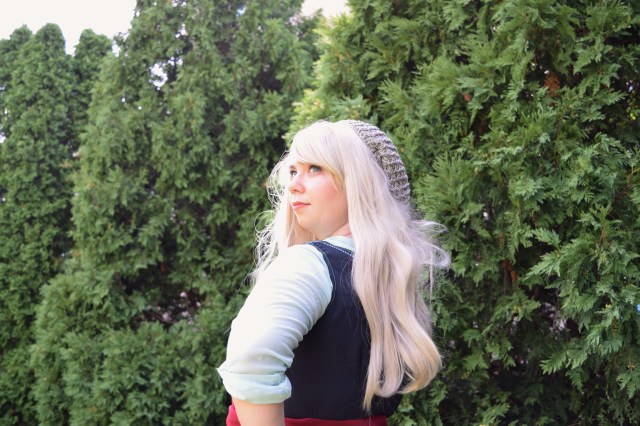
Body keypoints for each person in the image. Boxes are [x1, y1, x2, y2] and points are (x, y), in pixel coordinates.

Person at [217, 120, 450, 425]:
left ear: (361, 182)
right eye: (293, 171)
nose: (293, 185)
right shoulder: (382, 277)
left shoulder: (309, 264)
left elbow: (252, 363)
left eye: (315, 168)